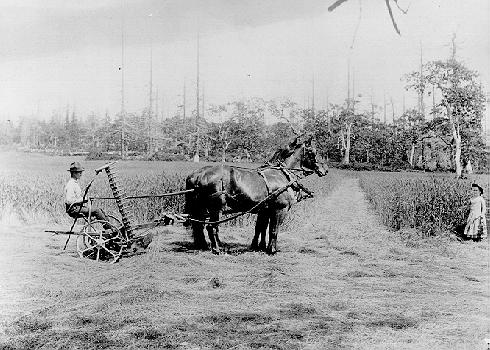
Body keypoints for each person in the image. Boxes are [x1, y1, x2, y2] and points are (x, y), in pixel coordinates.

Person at [65, 161, 112, 229]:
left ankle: (109, 226)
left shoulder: (75, 183)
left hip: (77, 207)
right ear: (74, 173)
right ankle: (110, 230)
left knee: (100, 210)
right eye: (79, 172)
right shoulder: (71, 184)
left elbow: (76, 197)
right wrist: (83, 199)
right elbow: (69, 200)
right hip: (73, 209)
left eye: (81, 172)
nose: (81, 174)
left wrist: (84, 199)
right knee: (97, 211)